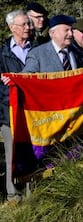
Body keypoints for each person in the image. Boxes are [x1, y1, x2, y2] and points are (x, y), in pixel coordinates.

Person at [0, 10, 34, 202]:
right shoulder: (2, 54)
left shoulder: (36, 49)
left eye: (29, 24)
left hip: (32, 111)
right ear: (12, 28)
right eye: (23, 25)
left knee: (33, 151)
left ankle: (32, 193)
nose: (28, 28)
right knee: (12, 154)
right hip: (9, 112)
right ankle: (13, 195)